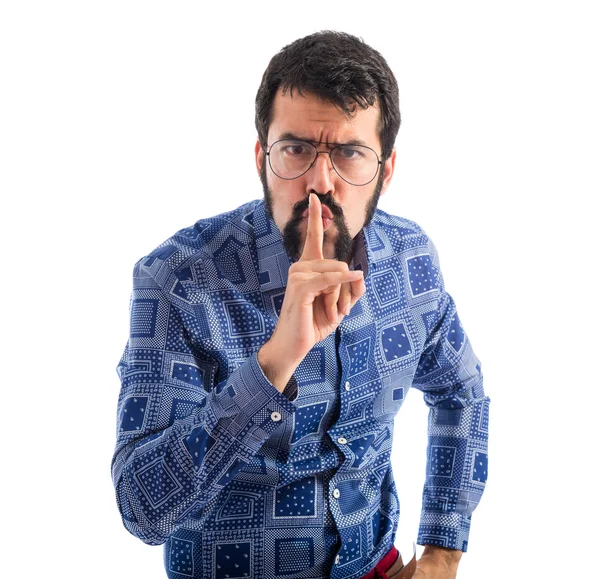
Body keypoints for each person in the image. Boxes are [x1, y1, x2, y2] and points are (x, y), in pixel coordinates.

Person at [111, 31, 489, 579]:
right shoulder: (177, 280)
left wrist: (442, 550)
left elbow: (463, 391)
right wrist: (273, 363)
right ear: (262, 158)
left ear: (384, 171)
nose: (320, 182)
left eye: (349, 153)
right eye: (296, 150)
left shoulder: (411, 259)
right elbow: (141, 511)